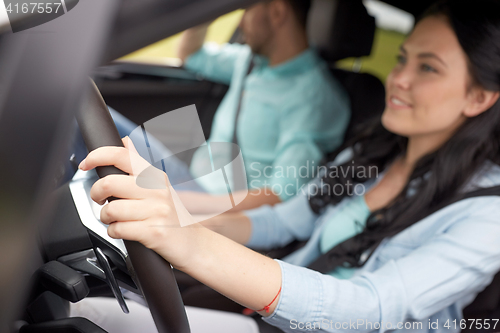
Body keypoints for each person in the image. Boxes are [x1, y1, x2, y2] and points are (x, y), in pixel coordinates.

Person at [78, 0, 500, 332]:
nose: (399, 78)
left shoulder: (487, 214)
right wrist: (182, 213)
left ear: (479, 97)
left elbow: (371, 310)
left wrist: (192, 244)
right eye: (403, 58)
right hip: (274, 309)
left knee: (95, 318)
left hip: (303, 320)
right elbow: (285, 221)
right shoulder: (373, 154)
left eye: (427, 67)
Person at [176, 0, 350, 213]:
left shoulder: (314, 98)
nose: (240, 23)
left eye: (247, 10)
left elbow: (280, 193)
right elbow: (190, 54)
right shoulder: (250, 62)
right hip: (191, 182)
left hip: (219, 210)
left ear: (277, 12)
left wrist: (179, 202)